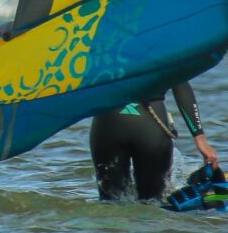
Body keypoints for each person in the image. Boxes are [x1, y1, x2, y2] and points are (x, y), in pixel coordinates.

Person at [89, 81, 219, 201]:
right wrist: (200, 138)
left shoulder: (102, 54)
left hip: (107, 124)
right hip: (150, 125)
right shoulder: (163, 54)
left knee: (111, 203)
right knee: (152, 203)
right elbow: (181, 85)